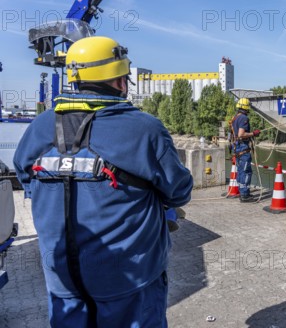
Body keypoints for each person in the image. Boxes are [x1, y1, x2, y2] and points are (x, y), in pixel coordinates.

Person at [13, 36, 193, 327]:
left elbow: (26, 178)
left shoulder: (41, 126)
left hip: (61, 278)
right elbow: (179, 190)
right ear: (121, 81)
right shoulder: (144, 129)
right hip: (127, 279)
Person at [230, 98, 260, 202]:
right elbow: (241, 134)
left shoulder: (235, 118)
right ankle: (245, 195)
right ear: (245, 107)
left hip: (237, 148)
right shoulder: (243, 118)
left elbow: (234, 135)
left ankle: (242, 192)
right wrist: (253, 134)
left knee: (241, 171)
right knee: (246, 171)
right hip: (243, 148)